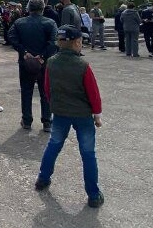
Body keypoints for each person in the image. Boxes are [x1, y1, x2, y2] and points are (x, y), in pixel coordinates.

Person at [35, 25, 104, 208]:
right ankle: (94, 194)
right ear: (77, 42)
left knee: (54, 145)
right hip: (82, 115)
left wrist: (54, 105)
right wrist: (97, 115)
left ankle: (42, 178)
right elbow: (93, 94)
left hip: (60, 114)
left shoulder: (51, 62)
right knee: (88, 154)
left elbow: (47, 89)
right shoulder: (83, 66)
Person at [9, 0, 57, 132]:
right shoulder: (50, 23)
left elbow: (11, 37)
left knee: (26, 91)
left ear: (28, 8)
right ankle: (47, 122)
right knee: (46, 92)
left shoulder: (19, 22)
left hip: (26, 62)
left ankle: (27, 120)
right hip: (45, 63)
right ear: (43, 8)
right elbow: (54, 42)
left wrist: (23, 52)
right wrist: (42, 56)